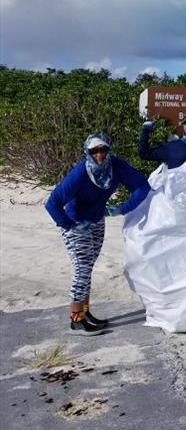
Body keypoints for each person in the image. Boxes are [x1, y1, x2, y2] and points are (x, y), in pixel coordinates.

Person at [45, 134, 151, 335]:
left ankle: (86, 313)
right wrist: (69, 225)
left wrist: (123, 208)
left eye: (103, 149)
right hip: (76, 222)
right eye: (94, 151)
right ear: (87, 152)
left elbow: (142, 186)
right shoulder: (80, 173)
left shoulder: (116, 166)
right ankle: (76, 319)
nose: (99, 154)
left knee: (88, 267)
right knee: (82, 268)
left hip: (97, 221)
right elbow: (52, 203)